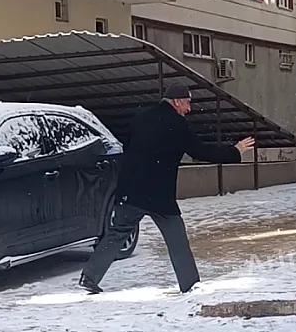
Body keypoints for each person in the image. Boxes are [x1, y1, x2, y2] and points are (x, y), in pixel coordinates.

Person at [79, 83, 255, 294]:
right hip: (158, 195)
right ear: (177, 101)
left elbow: (127, 145)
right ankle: (190, 285)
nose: (188, 109)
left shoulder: (141, 118)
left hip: (131, 190)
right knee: (177, 240)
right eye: (187, 103)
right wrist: (234, 151)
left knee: (117, 232)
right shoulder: (178, 126)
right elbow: (201, 152)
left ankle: (89, 276)